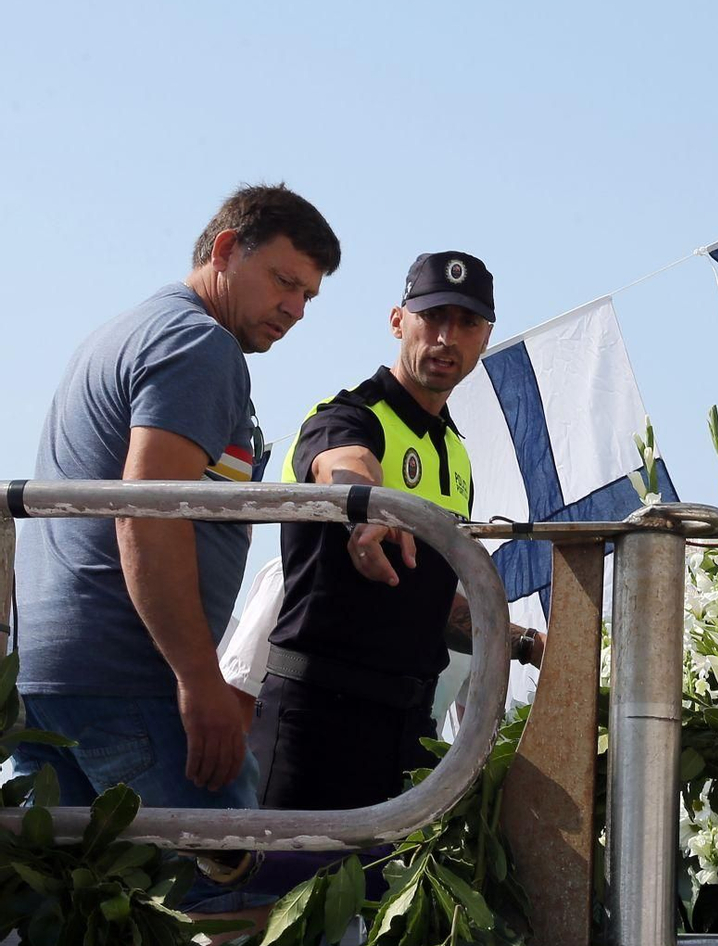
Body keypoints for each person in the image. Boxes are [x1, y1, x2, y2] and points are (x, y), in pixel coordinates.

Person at [10, 184, 341, 832]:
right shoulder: (199, 346)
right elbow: (146, 512)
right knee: (235, 902)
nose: (296, 309)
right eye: (283, 281)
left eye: (308, 295)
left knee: (78, 920)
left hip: (44, 679)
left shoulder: (124, 333)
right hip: (131, 679)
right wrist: (198, 679)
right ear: (224, 250)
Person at [251, 252, 544, 811]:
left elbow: (428, 599)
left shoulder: (455, 453)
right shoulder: (348, 414)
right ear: (397, 321)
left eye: (466, 323)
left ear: (485, 338)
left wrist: (529, 645)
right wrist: (368, 506)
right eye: (432, 317)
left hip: (409, 729)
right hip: (314, 718)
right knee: (267, 896)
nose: (446, 337)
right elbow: (342, 460)